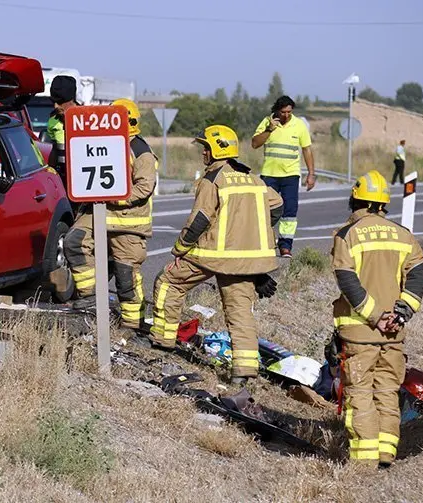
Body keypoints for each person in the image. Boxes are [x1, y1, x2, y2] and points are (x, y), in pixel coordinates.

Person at [149, 125, 283, 384]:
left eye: (205, 148)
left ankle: (163, 340)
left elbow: (199, 219)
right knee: (240, 312)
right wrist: (254, 232)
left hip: (210, 255)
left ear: (215, 151)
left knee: (168, 283)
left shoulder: (213, 180)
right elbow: (276, 205)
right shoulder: (253, 179)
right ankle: (243, 372)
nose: (203, 154)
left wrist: (180, 249)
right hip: (243, 262)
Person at [331, 169, 423, 468]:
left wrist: (375, 316)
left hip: (361, 331)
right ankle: (387, 453)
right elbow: (419, 273)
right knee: (387, 391)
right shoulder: (404, 235)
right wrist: (401, 313)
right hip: (394, 333)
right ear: (383, 204)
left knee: (359, 393)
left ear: (355, 199)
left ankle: (364, 462)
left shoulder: (347, 235)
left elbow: (348, 283)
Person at [65, 98, 157, 331]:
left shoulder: (141, 151)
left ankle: (132, 324)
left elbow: (145, 187)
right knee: (74, 241)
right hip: (100, 212)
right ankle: (90, 298)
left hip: (128, 221)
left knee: (125, 275)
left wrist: (117, 196)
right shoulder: (105, 142)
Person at [251, 95, 315, 258]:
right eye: (283, 112)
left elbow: (307, 149)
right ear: (277, 111)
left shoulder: (299, 125)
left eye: (289, 112)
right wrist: (269, 129)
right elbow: (255, 144)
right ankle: (265, 243)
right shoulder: (267, 122)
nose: (286, 115)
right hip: (269, 175)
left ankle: (285, 246)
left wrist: (311, 174)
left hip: (291, 176)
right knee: (266, 211)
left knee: (290, 212)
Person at [46, 75, 78, 190]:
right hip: (63, 180)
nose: (55, 106)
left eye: (59, 102)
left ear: (71, 99)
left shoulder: (88, 120)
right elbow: (55, 148)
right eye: (54, 102)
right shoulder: (52, 121)